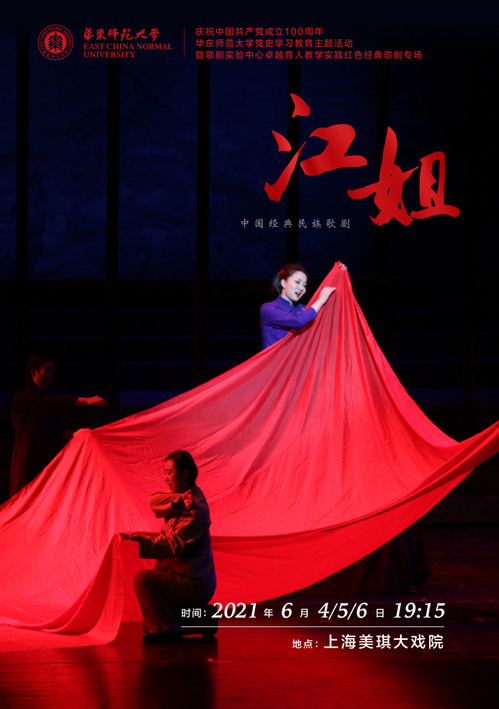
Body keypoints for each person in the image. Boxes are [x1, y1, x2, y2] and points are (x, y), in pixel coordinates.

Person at [125, 450, 217, 643]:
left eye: (169, 473)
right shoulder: (181, 498)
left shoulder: (195, 510)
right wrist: (179, 499)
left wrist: (141, 540)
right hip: (179, 578)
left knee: (143, 580)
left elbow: (173, 546)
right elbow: (153, 501)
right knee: (147, 624)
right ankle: (201, 617)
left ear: (184, 473)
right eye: (165, 473)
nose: (165, 478)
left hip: (192, 583)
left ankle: (170, 629)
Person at [10, 353, 108, 497]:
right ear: (34, 372)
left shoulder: (49, 404)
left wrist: (77, 434)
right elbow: (49, 403)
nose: (51, 377)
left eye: (53, 373)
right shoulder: (23, 398)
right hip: (27, 463)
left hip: (47, 463)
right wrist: (86, 400)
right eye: (47, 371)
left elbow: (58, 431)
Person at [260, 262, 343, 349]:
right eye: (297, 282)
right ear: (284, 283)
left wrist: (339, 275)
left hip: (298, 358)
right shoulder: (268, 308)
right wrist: (320, 300)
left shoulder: (303, 308)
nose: (301, 288)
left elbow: (329, 315)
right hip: (276, 358)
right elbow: (297, 321)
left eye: (304, 285)